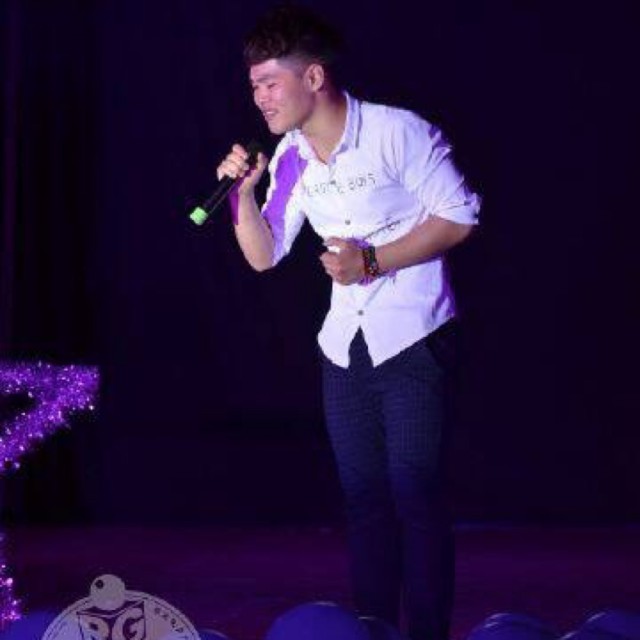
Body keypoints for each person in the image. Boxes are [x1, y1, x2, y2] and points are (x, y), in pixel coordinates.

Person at [216, 5, 481, 640]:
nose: (259, 98)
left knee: (416, 495)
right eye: (253, 86)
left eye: (270, 82)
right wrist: (241, 196)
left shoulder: (397, 133)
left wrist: (373, 260)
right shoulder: (291, 158)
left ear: (312, 77)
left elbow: (460, 214)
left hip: (414, 335)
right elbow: (264, 255)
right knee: (363, 503)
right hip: (344, 348)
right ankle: (374, 630)